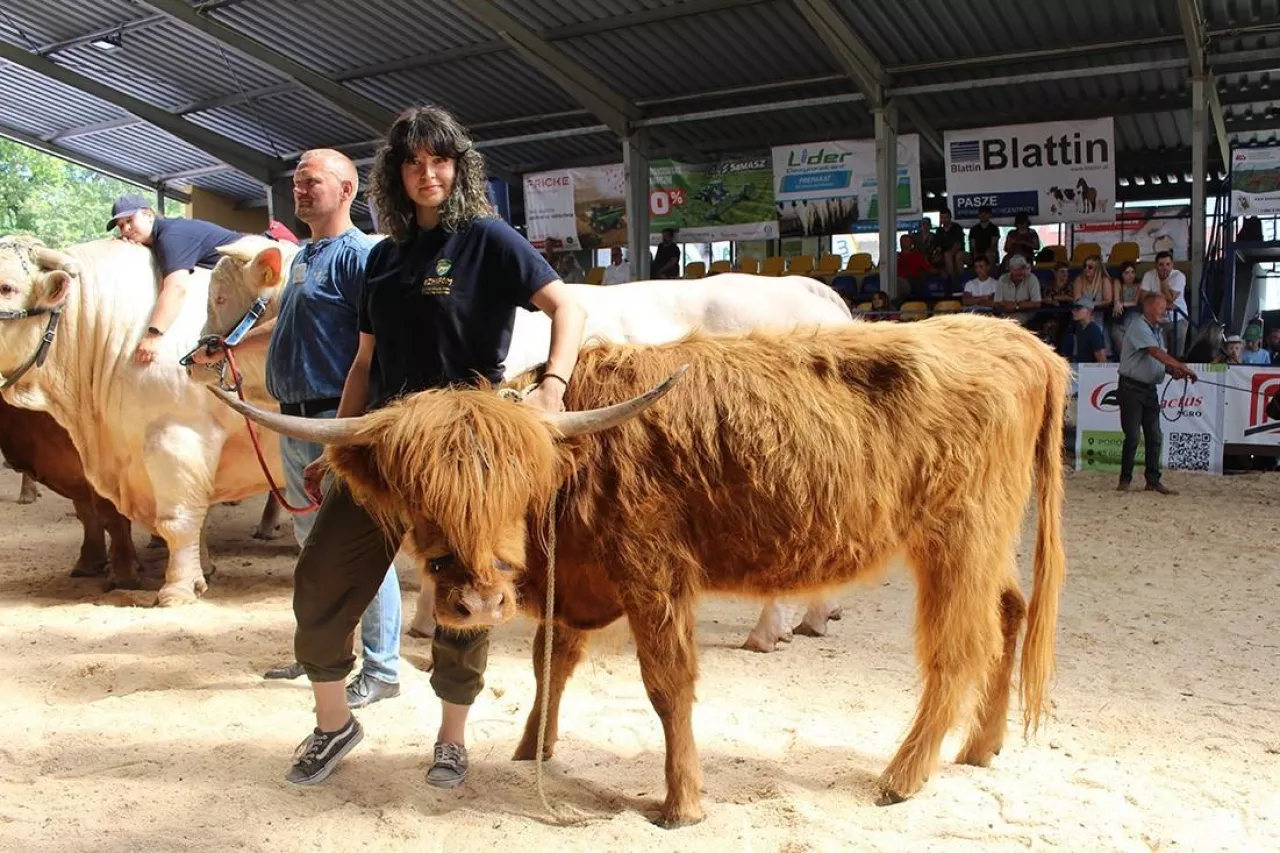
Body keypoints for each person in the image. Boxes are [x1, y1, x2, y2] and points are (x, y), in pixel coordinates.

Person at [280, 105, 586, 789]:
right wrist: (341, 449)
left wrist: (554, 388)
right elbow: (365, 361)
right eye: (413, 162)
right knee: (320, 577)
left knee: (470, 587)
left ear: (459, 166)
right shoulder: (383, 258)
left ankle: (451, 739)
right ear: (395, 174)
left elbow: (569, 307)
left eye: (439, 159)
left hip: (464, 454)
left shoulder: (488, 239)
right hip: (388, 448)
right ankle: (335, 723)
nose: (428, 172)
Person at [194, 149, 406, 704]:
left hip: (336, 418)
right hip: (296, 417)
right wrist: (225, 348)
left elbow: (378, 347)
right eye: (298, 181)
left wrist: (350, 428)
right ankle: (323, 655)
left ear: (347, 190)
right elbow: (294, 327)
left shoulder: (366, 256)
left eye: (312, 181)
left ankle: (382, 670)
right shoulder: (303, 258)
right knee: (312, 543)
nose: (301, 189)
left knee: (361, 547)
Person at [109, 194, 245, 365]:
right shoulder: (162, 237)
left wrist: (153, 336)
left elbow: (177, 288)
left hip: (267, 264)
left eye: (130, 220)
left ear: (149, 215)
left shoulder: (171, 237)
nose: (126, 228)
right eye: (121, 226)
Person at [1117, 291, 1197, 495]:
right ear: (1150, 307)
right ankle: (1125, 479)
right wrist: (1181, 366)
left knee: (1155, 436)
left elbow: (1156, 360)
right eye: (1162, 308)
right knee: (1133, 436)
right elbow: (1155, 353)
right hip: (1131, 388)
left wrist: (1173, 370)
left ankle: (1152, 480)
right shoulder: (1139, 326)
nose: (1165, 311)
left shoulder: (1155, 330)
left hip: (1148, 388)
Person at [1139, 250, 1189, 357]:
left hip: (1178, 318)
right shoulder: (1149, 275)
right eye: (1161, 265)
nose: (1164, 268)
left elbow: (1171, 299)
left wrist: (1163, 281)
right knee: (1159, 354)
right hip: (1156, 319)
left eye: (1167, 264)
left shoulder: (1179, 276)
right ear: (1156, 265)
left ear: (1172, 265)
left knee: (1176, 356)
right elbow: (1143, 298)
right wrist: (1162, 302)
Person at [1069, 297, 1107, 363]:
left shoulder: (1094, 330)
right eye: (1074, 309)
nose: (1073, 311)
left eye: (1078, 309)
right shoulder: (1079, 327)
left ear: (1089, 311)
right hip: (1082, 368)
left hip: (1090, 370)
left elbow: (1102, 360)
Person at [933, 207, 965, 283]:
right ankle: (949, 279)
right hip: (944, 253)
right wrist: (937, 253)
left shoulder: (956, 227)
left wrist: (950, 253)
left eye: (946, 217)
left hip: (958, 251)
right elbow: (937, 245)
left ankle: (957, 280)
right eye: (942, 217)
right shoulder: (939, 230)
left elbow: (958, 244)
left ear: (950, 217)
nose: (944, 220)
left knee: (954, 255)